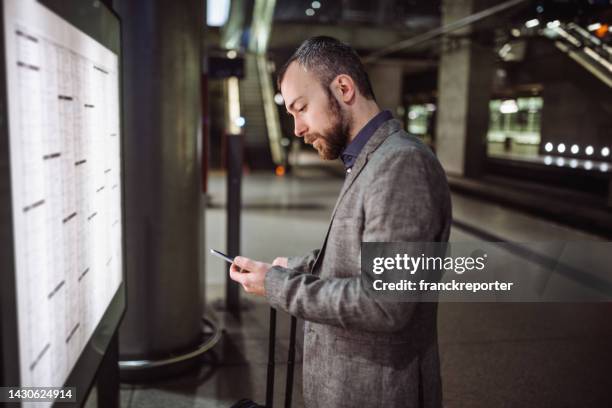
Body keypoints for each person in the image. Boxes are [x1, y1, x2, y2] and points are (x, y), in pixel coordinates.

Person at [229, 36, 452, 408]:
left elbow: (385, 302)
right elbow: (355, 251)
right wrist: (293, 268)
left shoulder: (401, 164)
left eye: (301, 108)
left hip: (376, 393)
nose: (297, 128)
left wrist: (279, 287)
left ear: (343, 88)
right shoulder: (369, 158)